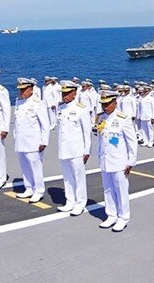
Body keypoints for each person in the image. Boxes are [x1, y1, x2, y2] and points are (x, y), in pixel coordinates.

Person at [96, 90, 137, 232]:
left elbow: (132, 141)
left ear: (115, 102)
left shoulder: (123, 118)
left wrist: (131, 162)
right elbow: (101, 140)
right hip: (105, 160)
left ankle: (123, 217)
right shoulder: (101, 118)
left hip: (119, 162)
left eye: (107, 104)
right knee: (108, 190)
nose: (105, 107)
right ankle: (111, 215)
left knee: (121, 190)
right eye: (103, 104)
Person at [57, 80, 92, 215]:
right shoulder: (61, 108)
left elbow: (86, 131)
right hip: (64, 149)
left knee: (79, 177)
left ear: (74, 93)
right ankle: (69, 201)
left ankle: (80, 203)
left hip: (77, 149)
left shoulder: (81, 109)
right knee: (67, 177)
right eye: (63, 93)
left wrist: (86, 150)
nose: (64, 96)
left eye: (67, 93)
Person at [13, 77, 50, 203]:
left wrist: (44, 141)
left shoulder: (38, 103)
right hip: (21, 141)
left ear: (31, 89)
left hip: (34, 142)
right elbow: (17, 122)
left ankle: (38, 190)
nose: (21, 92)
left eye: (24, 89)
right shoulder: (18, 102)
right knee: (25, 166)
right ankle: (29, 188)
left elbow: (45, 124)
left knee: (35, 167)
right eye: (20, 89)